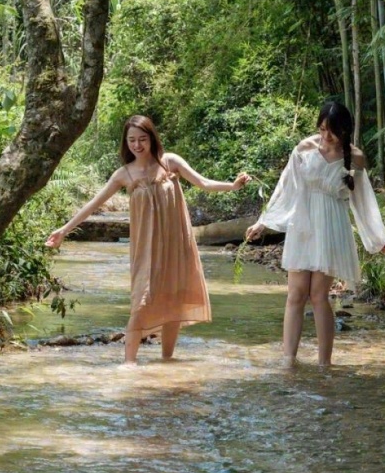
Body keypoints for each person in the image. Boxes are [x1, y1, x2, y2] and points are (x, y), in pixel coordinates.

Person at [45, 115, 250, 363]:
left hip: (175, 242)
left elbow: (203, 182)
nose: (137, 145)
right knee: (141, 301)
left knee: (175, 298)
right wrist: (64, 230)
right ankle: (129, 365)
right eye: (132, 140)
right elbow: (93, 204)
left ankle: (167, 361)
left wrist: (233, 186)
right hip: (145, 247)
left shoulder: (170, 162)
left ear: (152, 138)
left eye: (142, 139)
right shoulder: (125, 174)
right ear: (126, 142)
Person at [246, 100, 385, 367]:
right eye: (322, 129)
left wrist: (376, 238)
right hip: (303, 223)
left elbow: (363, 202)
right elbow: (285, 188)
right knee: (296, 294)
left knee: (319, 296)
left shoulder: (355, 157)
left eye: (331, 131)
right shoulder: (304, 148)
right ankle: (288, 359)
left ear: (345, 130)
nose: (325, 136)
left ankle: (325, 363)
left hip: (331, 226)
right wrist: (263, 222)